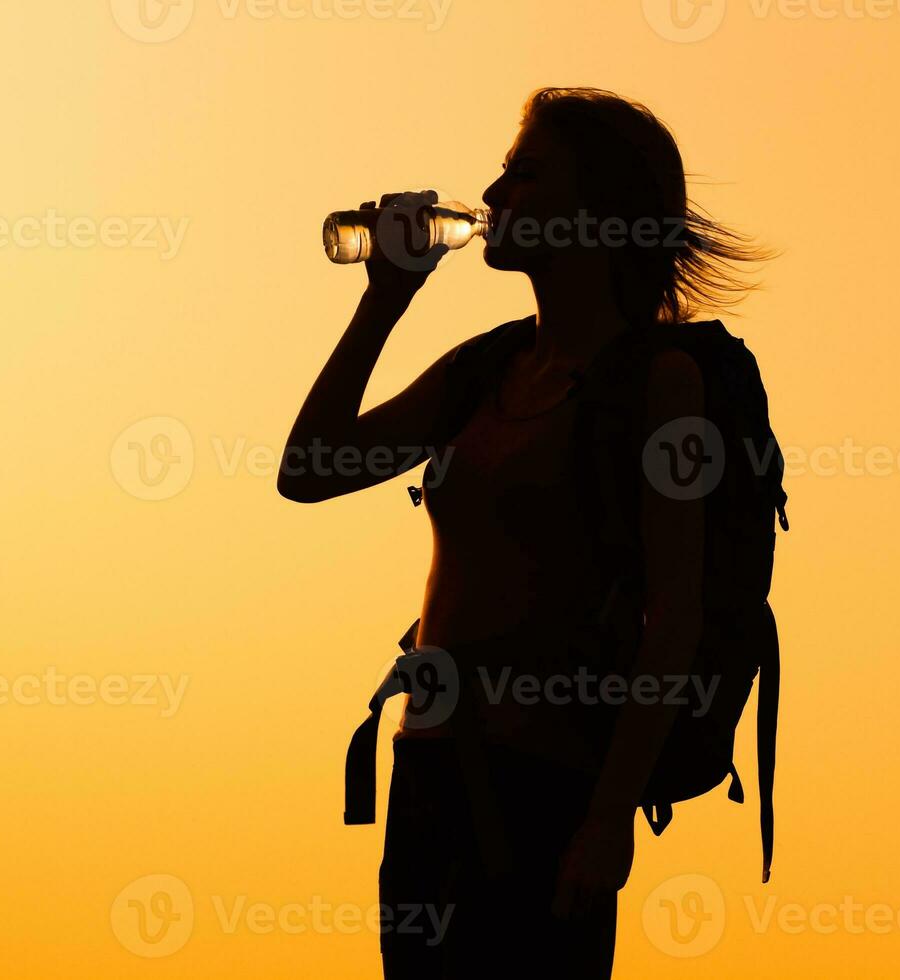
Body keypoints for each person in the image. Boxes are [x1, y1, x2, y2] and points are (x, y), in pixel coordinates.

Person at [279, 86, 771, 979]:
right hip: (430, 775)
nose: (493, 195)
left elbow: (677, 617)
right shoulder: (492, 364)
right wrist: (383, 302)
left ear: (598, 216)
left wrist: (607, 820)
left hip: (546, 793)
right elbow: (310, 470)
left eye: (527, 172)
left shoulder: (658, 387)